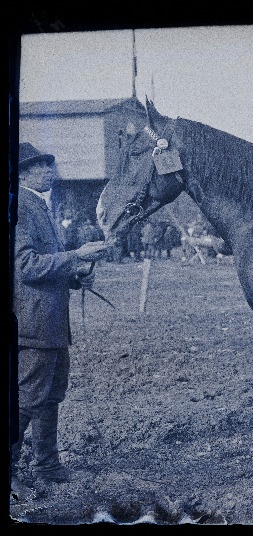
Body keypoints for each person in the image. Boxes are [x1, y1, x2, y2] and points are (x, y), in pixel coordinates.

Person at [11, 143, 107, 501]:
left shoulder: (40, 206)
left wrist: (76, 275)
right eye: (41, 167)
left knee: (50, 396)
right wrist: (76, 255)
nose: (50, 172)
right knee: (26, 400)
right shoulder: (21, 207)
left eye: (50, 166)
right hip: (33, 322)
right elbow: (26, 266)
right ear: (22, 174)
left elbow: (48, 264)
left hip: (50, 321)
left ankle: (47, 466)